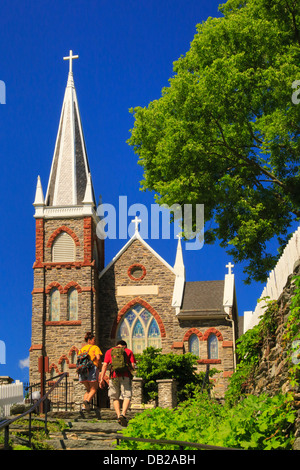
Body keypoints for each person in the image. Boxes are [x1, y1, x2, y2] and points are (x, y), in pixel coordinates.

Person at [99, 340, 136, 426]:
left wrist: (101, 379)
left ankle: (118, 415)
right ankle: (123, 414)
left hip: (113, 376)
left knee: (115, 396)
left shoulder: (109, 351)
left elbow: (104, 365)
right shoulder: (128, 351)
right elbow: (133, 366)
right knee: (127, 395)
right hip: (125, 375)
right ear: (124, 346)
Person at [78, 332, 102, 411]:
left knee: (88, 390)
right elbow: (98, 358)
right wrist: (98, 367)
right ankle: (87, 401)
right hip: (91, 369)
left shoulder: (81, 349)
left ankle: (84, 407)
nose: (94, 341)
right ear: (89, 340)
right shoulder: (95, 348)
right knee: (94, 388)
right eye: (93, 340)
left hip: (82, 370)